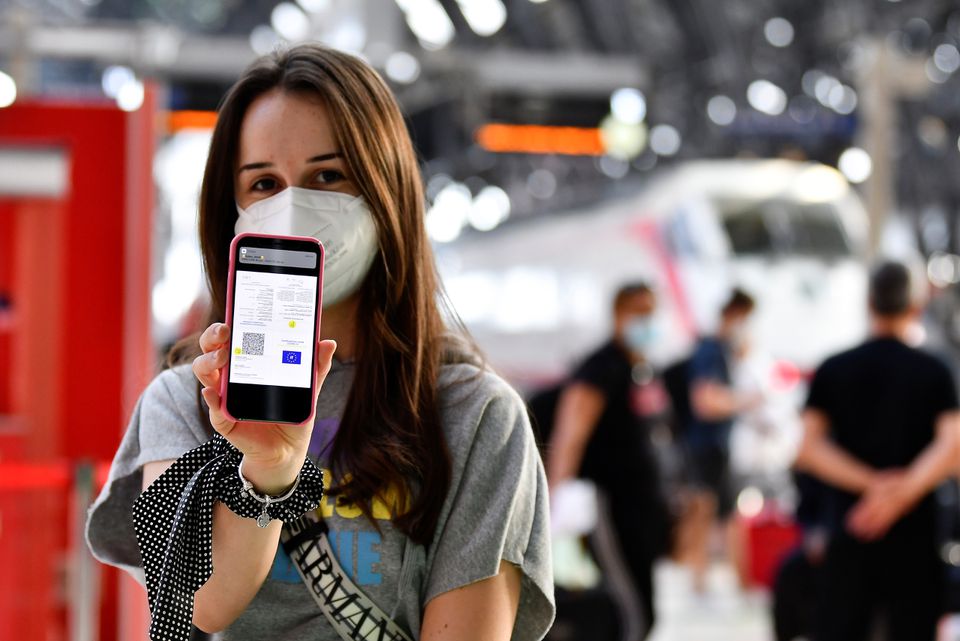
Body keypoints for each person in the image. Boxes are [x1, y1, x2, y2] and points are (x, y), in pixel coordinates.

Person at [86, 44, 554, 641]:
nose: (291, 208)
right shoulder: (185, 401)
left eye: (327, 176)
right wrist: (268, 471)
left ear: (386, 195)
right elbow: (197, 607)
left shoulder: (474, 414)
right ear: (232, 212)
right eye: (263, 183)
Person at [794, 261, 960, 641]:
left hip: (851, 524)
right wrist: (901, 492)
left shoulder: (834, 368)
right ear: (916, 305)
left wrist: (872, 486)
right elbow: (952, 445)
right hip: (917, 534)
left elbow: (809, 447)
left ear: (869, 303)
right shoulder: (935, 370)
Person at [546, 282, 672, 640]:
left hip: (643, 505)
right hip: (609, 505)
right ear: (619, 316)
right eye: (639, 313)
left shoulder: (643, 369)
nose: (646, 321)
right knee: (630, 608)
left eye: (651, 313)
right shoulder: (601, 367)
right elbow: (570, 435)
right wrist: (555, 500)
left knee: (644, 602)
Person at [681, 287, 758, 592]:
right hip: (707, 447)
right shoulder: (711, 350)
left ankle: (725, 581)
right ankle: (703, 580)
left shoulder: (723, 350)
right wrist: (745, 401)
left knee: (722, 513)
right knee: (706, 512)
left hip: (717, 446)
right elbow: (705, 400)